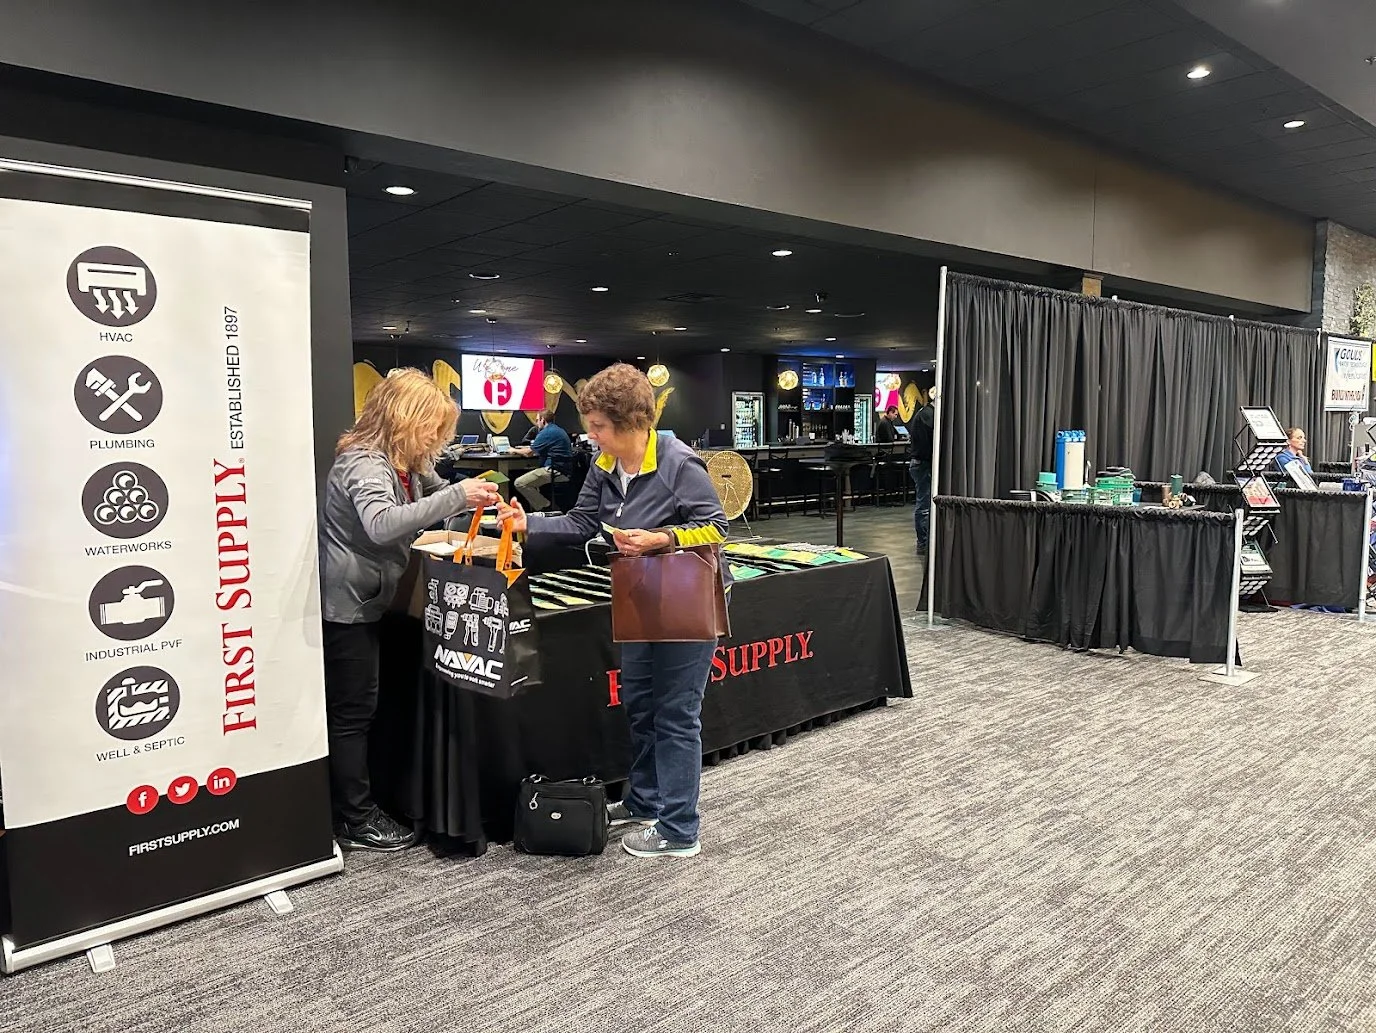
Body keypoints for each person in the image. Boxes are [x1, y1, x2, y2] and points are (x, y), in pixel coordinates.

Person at [498, 363, 728, 859]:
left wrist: (662, 539)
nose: (591, 435)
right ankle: (645, 801)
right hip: (640, 599)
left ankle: (679, 829)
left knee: (675, 714)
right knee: (640, 704)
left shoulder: (678, 462)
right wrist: (527, 522)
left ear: (633, 422)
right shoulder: (605, 466)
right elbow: (582, 522)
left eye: (599, 426)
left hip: (686, 604)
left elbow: (716, 527)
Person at [319, 368, 500, 852]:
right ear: (404, 420)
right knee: (352, 712)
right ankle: (355, 819)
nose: (437, 440)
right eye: (431, 429)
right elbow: (381, 525)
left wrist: (478, 503)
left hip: (379, 601)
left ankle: (367, 804)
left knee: (371, 707)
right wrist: (457, 496)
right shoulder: (362, 464)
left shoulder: (408, 466)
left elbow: (442, 502)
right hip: (349, 608)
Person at [513, 410, 574, 512]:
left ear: (543, 420)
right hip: (564, 469)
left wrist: (513, 450)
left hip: (555, 470)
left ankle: (546, 507)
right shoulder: (557, 430)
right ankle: (540, 510)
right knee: (531, 482)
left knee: (519, 483)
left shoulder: (546, 432)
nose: (536, 423)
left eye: (537, 420)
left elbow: (529, 453)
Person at [909, 396, 934, 555]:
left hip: (918, 462)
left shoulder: (923, 413)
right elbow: (930, 443)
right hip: (923, 463)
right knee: (924, 505)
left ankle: (924, 541)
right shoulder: (928, 416)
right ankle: (923, 542)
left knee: (924, 503)